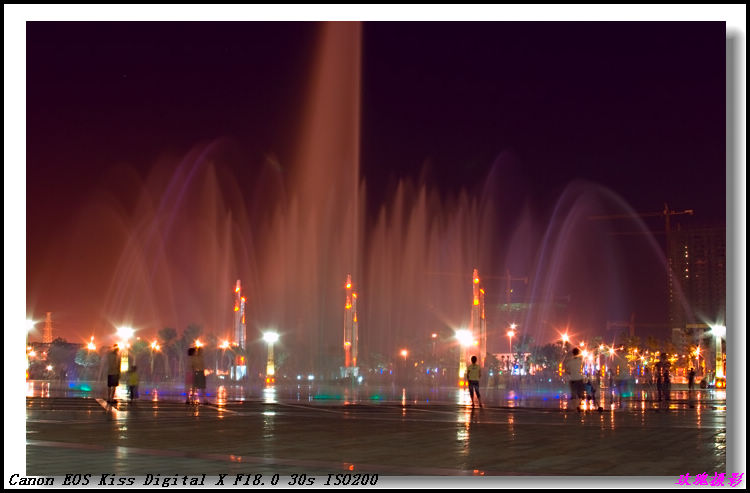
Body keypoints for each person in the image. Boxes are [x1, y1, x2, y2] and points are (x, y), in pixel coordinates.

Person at [564, 348, 585, 412]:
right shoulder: (581, 361)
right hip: (579, 378)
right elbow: (583, 367)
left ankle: (575, 408)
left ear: (572, 353)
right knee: (580, 393)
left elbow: (566, 369)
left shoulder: (570, 361)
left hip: (572, 379)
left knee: (573, 394)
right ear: (578, 353)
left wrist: (569, 372)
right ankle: (578, 406)